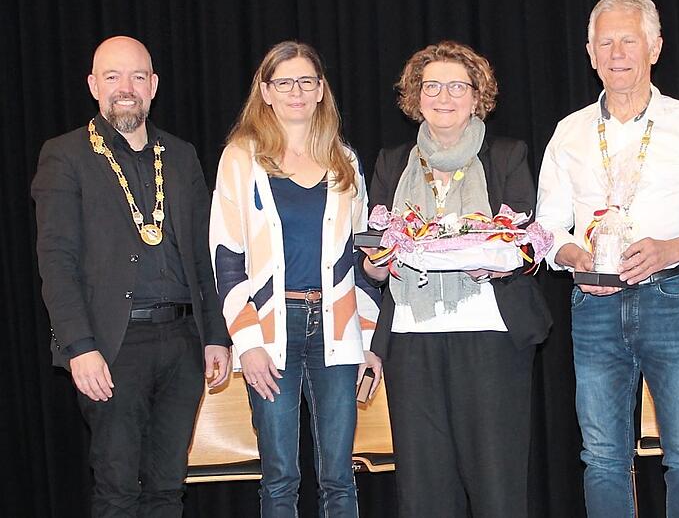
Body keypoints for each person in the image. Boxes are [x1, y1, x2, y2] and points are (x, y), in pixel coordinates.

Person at [536, 0, 679, 517]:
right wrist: (574, 256)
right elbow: (547, 228)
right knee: (601, 456)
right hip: (593, 304)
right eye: (606, 42)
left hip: (671, 296)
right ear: (590, 53)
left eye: (630, 40)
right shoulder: (569, 132)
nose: (617, 52)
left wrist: (669, 248)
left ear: (655, 47)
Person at [31, 36, 232, 517]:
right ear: (93, 85)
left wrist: (216, 336)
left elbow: (206, 256)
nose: (126, 87)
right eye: (113, 76)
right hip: (113, 346)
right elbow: (56, 259)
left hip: (184, 342)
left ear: (154, 85)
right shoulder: (66, 155)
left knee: (167, 488)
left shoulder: (180, 156)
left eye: (138, 76)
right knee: (118, 488)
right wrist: (79, 347)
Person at [361, 40, 551, 518]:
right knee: (424, 492)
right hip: (411, 338)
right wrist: (377, 263)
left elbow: (527, 243)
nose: (443, 96)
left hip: (491, 334)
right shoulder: (391, 160)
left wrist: (498, 258)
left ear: (477, 95)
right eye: (431, 86)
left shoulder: (507, 154)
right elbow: (373, 256)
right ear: (415, 95)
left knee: (497, 487)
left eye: (456, 86)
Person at [209, 41, 381, 517]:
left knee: (339, 478)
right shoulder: (240, 159)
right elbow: (226, 258)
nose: (297, 92)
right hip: (270, 331)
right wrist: (248, 343)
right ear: (265, 92)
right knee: (280, 478)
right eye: (284, 82)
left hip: (336, 332)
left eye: (307, 81)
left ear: (321, 89)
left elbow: (361, 263)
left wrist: (367, 340)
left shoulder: (345, 163)